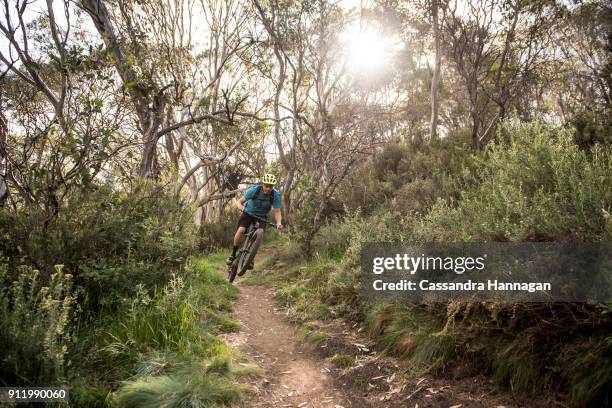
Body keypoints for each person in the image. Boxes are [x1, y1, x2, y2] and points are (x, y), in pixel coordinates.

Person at [226, 173, 282, 266]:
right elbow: (239, 202)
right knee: (241, 230)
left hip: (262, 216)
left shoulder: (275, 195)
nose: (268, 188)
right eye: (266, 186)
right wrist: (241, 208)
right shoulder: (254, 190)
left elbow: (277, 211)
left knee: (258, 235)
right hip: (248, 212)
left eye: (271, 186)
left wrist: (279, 222)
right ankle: (233, 254)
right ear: (263, 184)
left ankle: (250, 257)